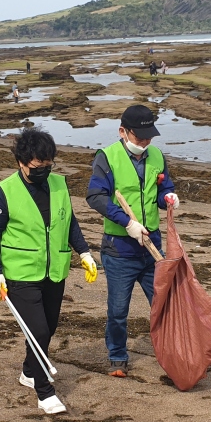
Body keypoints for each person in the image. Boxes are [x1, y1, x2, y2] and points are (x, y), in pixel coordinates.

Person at [0, 128, 96, 415]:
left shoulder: (59, 185)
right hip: (20, 274)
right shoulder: (4, 192)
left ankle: (28, 371)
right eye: (37, 167)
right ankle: (44, 391)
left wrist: (83, 251)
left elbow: (69, 222)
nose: (44, 171)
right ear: (21, 162)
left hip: (54, 271)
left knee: (48, 329)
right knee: (38, 330)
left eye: (48, 166)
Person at [86, 104, 179, 377]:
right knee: (117, 310)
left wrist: (169, 199)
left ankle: (174, 356)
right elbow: (95, 196)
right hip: (119, 250)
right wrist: (127, 223)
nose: (145, 142)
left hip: (153, 249)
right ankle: (117, 357)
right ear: (123, 132)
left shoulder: (157, 156)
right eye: (140, 137)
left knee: (164, 306)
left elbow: (164, 188)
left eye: (149, 136)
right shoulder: (107, 157)